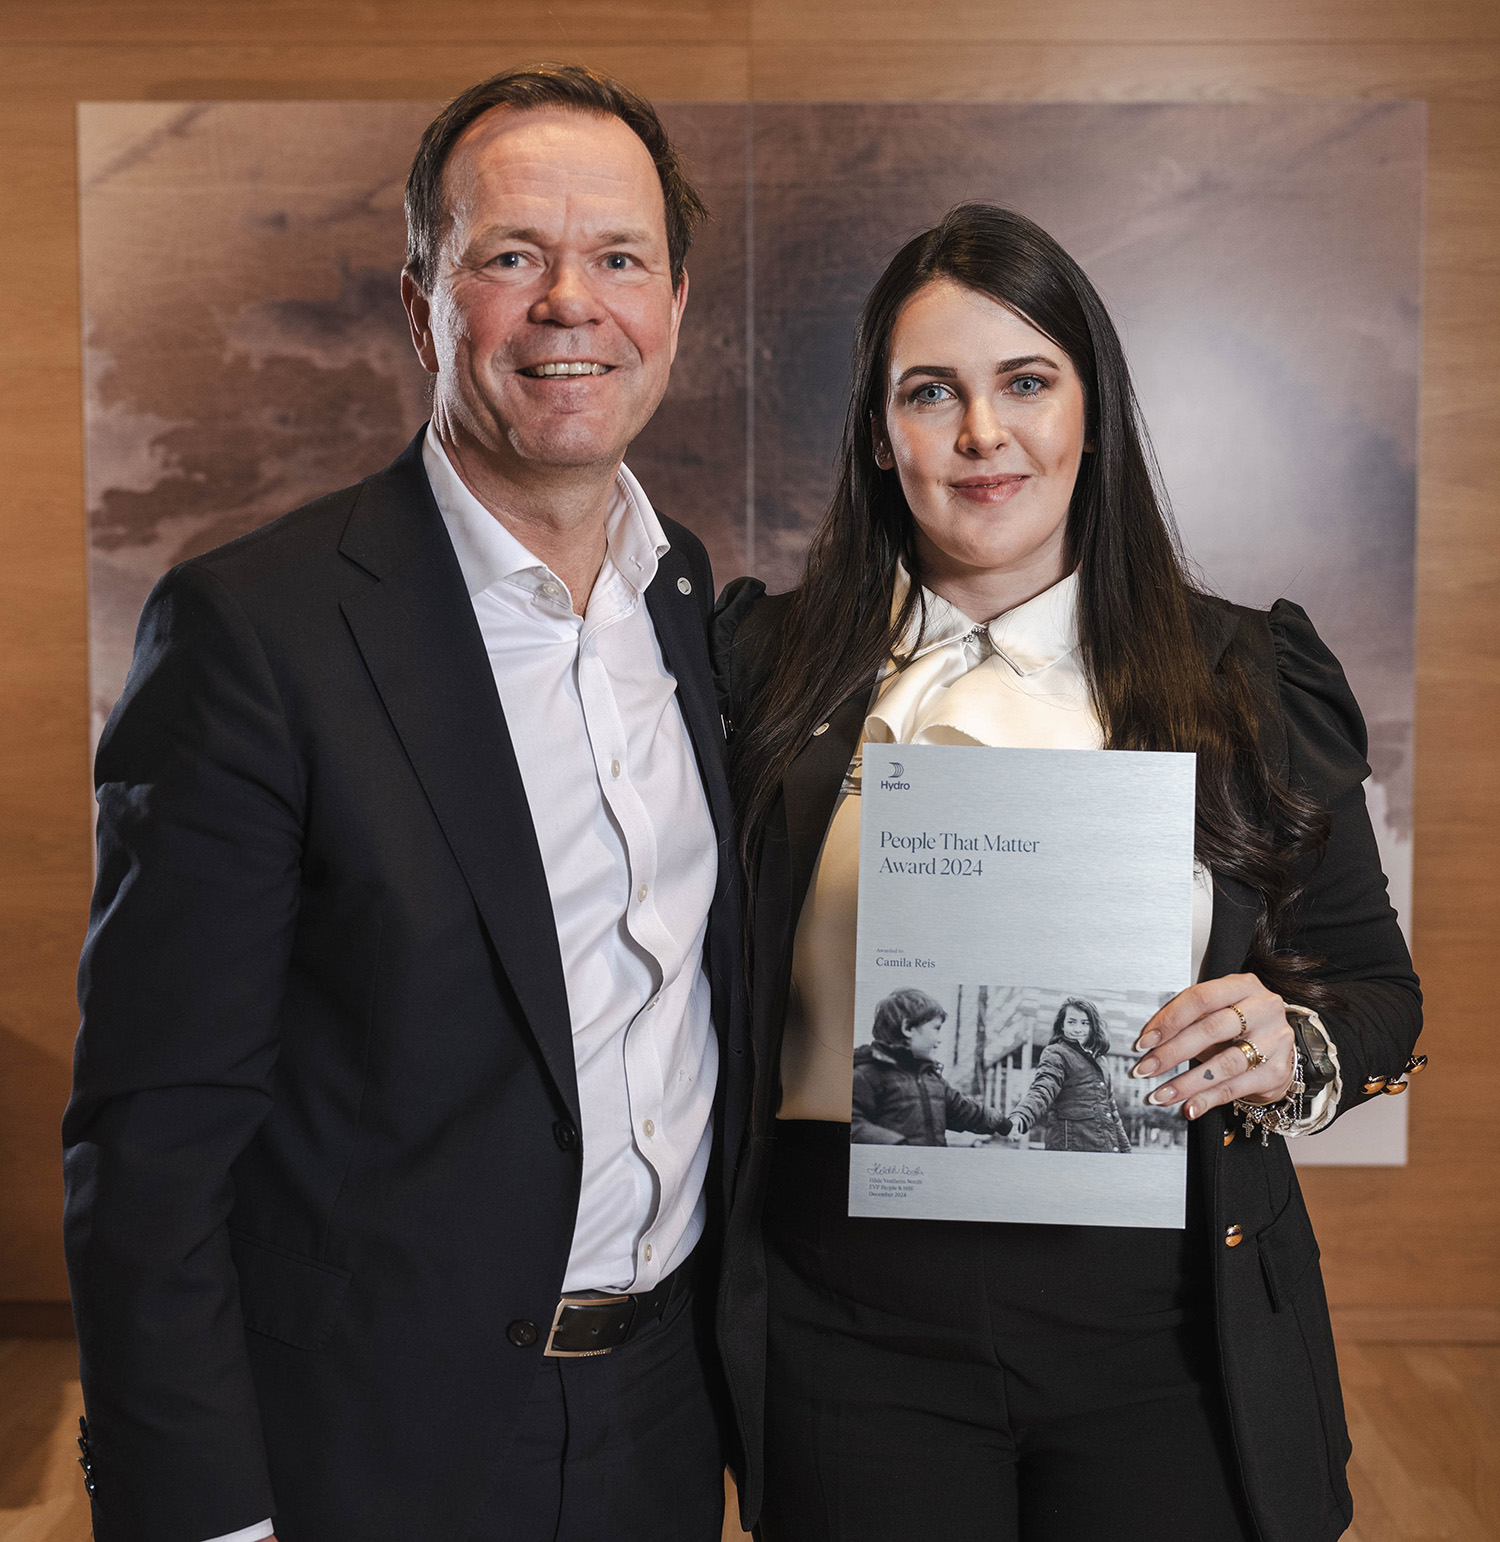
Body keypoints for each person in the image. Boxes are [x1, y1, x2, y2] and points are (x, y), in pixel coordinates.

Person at [63, 65, 746, 1542]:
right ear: (424, 305)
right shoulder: (257, 632)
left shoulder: (688, 599)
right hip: (370, 1440)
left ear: (677, 304)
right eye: (512, 256)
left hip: (662, 1417)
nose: (571, 303)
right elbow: (155, 1135)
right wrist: (205, 1517)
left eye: (619, 257)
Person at [712, 203, 1422, 1542]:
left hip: (1166, 1335)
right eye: (933, 392)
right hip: (845, 1334)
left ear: (1093, 416)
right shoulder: (756, 669)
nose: (984, 432)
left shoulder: (1250, 677)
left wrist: (1292, 1042)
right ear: (880, 434)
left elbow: (1387, 1005)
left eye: (1027, 382)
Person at [851, 987, 1013, 1146]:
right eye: (936, 1029)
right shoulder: (867, 1074)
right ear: (907, 1028)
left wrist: (1001, 1122)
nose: (939, 1040)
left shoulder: (933, 1079)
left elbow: (966, 1110)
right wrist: (894, 1144)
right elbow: (852, 1123)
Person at [1009, 997, 1132, 1152]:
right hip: (1069, 1149)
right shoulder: (1056, 1053)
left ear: (1093, 1026)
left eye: (1085, 1023)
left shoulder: (1101, 1061)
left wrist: (1126, 1150)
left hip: (1103, 1149)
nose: (1078, 1029)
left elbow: (1112, 1112)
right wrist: (1021, 1116)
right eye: (1071, 1022)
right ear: (1062, 1025)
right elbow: (1042, 1089)